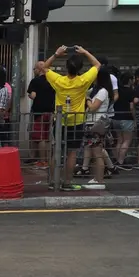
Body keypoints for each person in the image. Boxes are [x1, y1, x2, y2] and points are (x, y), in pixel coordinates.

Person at [44, 45, 101, 191]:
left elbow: (44, 67)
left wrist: (56, 54)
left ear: (66, 67)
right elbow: (97, 65)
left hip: (59, 122)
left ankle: (53, 181)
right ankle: (67, 182)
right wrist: (85, 51)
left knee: (56, 151)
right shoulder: (83, 81)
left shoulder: (58, 80)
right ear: (80, 69)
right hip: (77, 122)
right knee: (72, 152)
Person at [80, 66, 114, 191]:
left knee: (97, 153)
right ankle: (97, 178)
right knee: (95, 152)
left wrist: (88, 99)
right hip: (91, 123)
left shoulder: (103, 91)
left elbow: (93, 107)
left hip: (96, 124)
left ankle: (100, 180)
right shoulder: (97, 90)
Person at [27, 61, 55, 167]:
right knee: (48, 137)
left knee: (41, 138)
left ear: (38, 69)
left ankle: (42, 161)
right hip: (51, 112)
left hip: (39, 113)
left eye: (34, 69)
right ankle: (48, 160)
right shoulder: (53, 80)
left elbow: (33, 95)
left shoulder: (35, 81)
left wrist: (30, 95)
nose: (34, 71)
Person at [112, 72, 136, 170]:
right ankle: (121, 162)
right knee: (127, 140)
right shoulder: (130, 91)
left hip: (116, 118)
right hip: (127, 118)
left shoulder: (118, 91)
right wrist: (134, 118)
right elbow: (131, 107)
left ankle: (117, 161)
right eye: (133, 79)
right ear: (130, 80)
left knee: (119, 140)